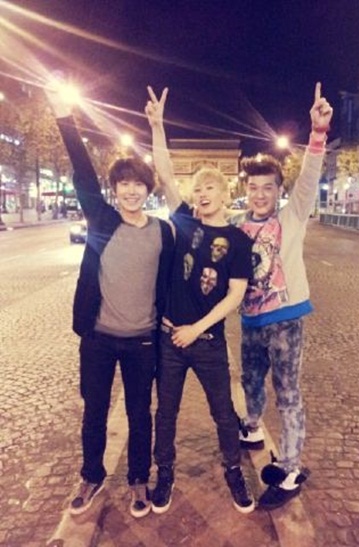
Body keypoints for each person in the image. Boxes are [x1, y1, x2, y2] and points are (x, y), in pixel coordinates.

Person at [45, 82, 174, 519]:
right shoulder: (101, 219)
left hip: (142, 341)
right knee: (94, 412)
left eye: (138, 185)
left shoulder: (163, 232)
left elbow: (175, 280)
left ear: (148, 190)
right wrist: (65, 116)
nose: (131, 191)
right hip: (98, 339)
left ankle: (139, 478)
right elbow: (82, 172)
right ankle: (92, 475)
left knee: (140, 415)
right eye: (124, 184)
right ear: (115, 189)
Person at [145, 86, 255, 514]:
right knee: (165, 413)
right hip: (170, 337)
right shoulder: (185, 221)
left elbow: (236, 294)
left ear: (225, 193)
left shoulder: (238, 240)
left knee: (224, 413)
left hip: (207, 341)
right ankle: (165, 473)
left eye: (210, 187)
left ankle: (233, 470)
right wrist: (157, 126)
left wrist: (198, 329)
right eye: (197, 188)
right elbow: (164, 173)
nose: (202, 193)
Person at [232, 82, 333, 509]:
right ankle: (252, 427)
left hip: (286, 318)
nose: (260, 194)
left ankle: (290, 468)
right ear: (246, 189)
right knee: (251, 382)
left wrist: (318, 133)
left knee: (287, 392)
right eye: (254, 187)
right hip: (250, 320)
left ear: (278, 190)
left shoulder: (292, 217)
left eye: (268, 187)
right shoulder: (236, 227)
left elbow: (308, 180)